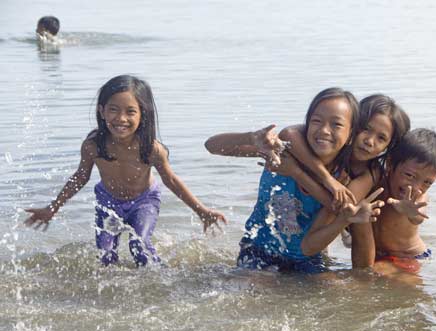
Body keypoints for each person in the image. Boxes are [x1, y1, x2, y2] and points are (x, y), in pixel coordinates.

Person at [24, 74, 227, 266]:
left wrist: (202, 211)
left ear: (142, 114)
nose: (121, 118)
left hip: (144, 201)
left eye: (130, 111)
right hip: (108, 201)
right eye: (113, 109)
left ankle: (157, 283)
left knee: (140, 247)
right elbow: (80, 177)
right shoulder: (93, 146)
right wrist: (53, 207)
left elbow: (171, 180)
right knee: (105, 254)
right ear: (102, 111)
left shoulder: (152, 149)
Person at [205, 87, 383, 273]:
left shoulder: (344, 180)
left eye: (336, 125)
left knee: (337, 291)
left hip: (306, 259)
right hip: (259, 251)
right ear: (306, 125)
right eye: (316, 121)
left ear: (350, 136)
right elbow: (212, 146)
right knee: (254, 285)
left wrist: (299, 173)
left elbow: (332, 211)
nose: (324, 130)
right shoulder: (282, 153)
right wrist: (251, 137)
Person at [277, 95, 410, 261]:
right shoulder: (331, 143)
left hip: (356, 220)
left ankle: (363, 277)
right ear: (352, 124)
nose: (369, 141)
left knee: (361, 219)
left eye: (381, 138)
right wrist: (327, 178)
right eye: (365, 129)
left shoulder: (371, 172)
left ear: (389, 146)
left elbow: (339, 205)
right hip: (313, 222)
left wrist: (296, 173)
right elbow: (288, 134)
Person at [367, 128, 436, 273]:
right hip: (381, 255)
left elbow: (419, 216)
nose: (416, 187)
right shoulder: (378, 182)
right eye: (410, 175)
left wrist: (411, 212)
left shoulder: (418, 198)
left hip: (409, 256)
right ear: (390, 164)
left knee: (372, 274)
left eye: (427, 182)